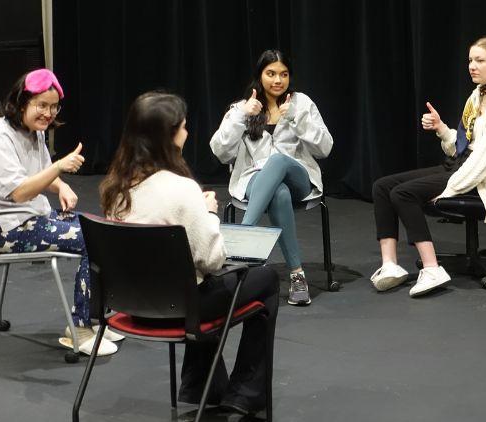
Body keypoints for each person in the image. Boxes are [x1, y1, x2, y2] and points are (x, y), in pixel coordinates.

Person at [100, 92, 279, 414]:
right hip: (181, 309)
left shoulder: (115, 188)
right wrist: (208, 213)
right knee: (264, 278)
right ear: (168, 136)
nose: (187, 132)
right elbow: (211, 259)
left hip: (130, 304)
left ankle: (201, 384)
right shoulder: (182, 190)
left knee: (199, 280)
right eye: (183, 127)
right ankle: (245, 393)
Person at [0, 68, 120, 356]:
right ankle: (79, 327)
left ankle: (96, 316)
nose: (49, 113)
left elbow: (40, 174)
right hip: (8, 229)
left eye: (53, 106)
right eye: (42, 105)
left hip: (33, 217)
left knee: (104, 230)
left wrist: (60, 186)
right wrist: (59, 167)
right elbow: (19, 192)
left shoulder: (32, 131)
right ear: (21, 101)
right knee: (93, 239)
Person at [370, 35, 486, 297]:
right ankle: (390, 265)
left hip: (482, 176)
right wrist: (441, 128)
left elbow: (485, 159)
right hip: (463, 164)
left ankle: (432, 268)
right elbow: (462, 146)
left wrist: (451, 188)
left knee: (403, 193)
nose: (472, 66)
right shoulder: (478, 94)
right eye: (470, 60)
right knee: (382, 186)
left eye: (480, 60)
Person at [210, 49, 333, 306]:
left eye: (284, 74)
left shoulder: (302, 104)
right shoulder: (241, 107)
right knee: (279, 194)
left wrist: (297, 119)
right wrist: (242, 115)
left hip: (299, 178)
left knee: (278, 162)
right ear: (260, 76)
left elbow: (325, 148)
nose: (278, 80)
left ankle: (242, 239)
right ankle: (297, 274)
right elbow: (220, 152)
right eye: (271, 74)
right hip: (254, 181)